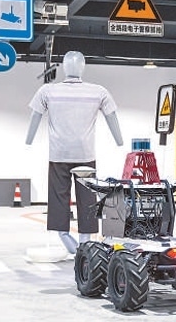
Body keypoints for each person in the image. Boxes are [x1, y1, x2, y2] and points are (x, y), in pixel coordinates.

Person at [26, 51, 123, 254]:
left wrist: (29, 139)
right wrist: (119, 140)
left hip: (58, 154)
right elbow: (112, 116)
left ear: (63, 67)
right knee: (87, 198)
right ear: (83, 67)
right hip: (85, 154)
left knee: (58, 197)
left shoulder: (48, 91)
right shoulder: (98, 91)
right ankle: (85, 242)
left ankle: (65, 237)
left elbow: (35, 116)